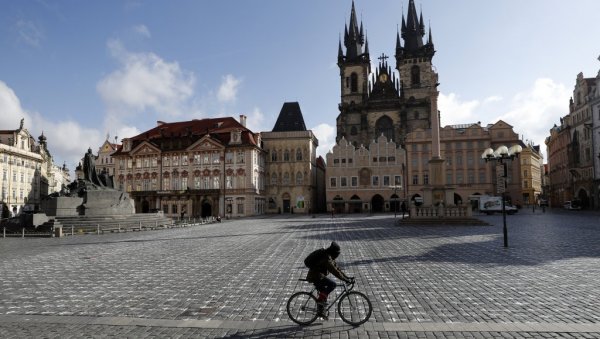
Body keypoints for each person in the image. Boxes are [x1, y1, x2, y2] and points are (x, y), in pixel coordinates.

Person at [305, 241, 354, 319]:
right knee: (332, 284)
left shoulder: (329, 256)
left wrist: (347, 277)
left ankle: (321, 311)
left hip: (319, 276)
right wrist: (344, 279)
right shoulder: (326, 258)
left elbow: (337, 268)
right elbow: (334, 271)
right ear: (334, 253)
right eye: (337, 254)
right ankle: (320, 302)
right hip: (315, 276)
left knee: (324, 293)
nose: (337, 256)